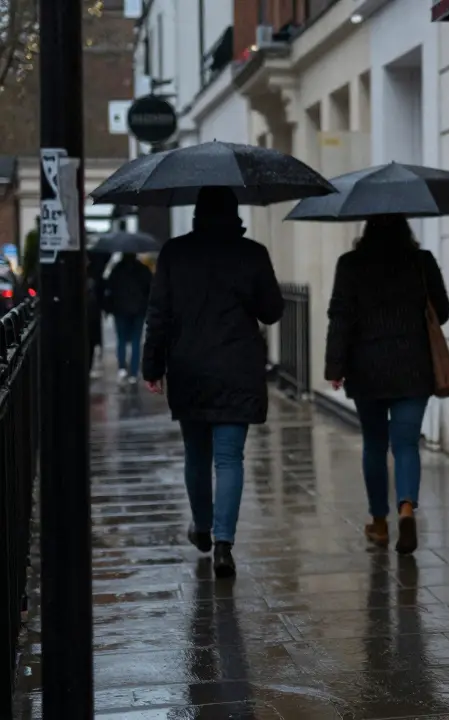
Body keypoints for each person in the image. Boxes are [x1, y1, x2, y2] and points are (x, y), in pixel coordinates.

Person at [143, 187, 283, 578]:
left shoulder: (174, 253)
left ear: (197, 212)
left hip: (189, 367)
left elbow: (158, 314)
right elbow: (272, 311)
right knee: (229, 457)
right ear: (235, 213)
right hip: (237, 367)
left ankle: (202, 527)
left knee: (196, 454)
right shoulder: (252, 253)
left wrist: (151, 367)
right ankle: (224, 544)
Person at [324, 214, 449, 554]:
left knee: (375, 445)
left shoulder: (350, 264)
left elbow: (340, 316)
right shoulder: (421, 261)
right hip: (413, 367)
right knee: (406, 444)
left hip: (367, 369)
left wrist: (334, 366)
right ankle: (406, 507)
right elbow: (444, 310)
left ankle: (379, 524)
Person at [103, 252, 152, 384]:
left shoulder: (117, 269)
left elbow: (109, 289)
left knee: (122, 339)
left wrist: (108, 308)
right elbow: (151, 288)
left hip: (120, 310)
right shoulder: (143, 269)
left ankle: (122, 368)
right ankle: (134, 372)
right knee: (136, 340)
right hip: (139, 310)